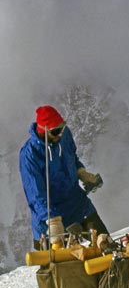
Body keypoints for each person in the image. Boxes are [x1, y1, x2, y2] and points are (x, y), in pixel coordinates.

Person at [19, 105, 108, 250]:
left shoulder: (64, 135)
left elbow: (72, 157)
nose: (60, 134)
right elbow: (36, 194)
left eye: (62, 128)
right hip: (49, 218)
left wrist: (81, 173)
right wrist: (52, 220)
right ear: (44, 131)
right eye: (56, 131)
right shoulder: (29, 155)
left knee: (105, 245)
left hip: (77, 205)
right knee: (58, 267)